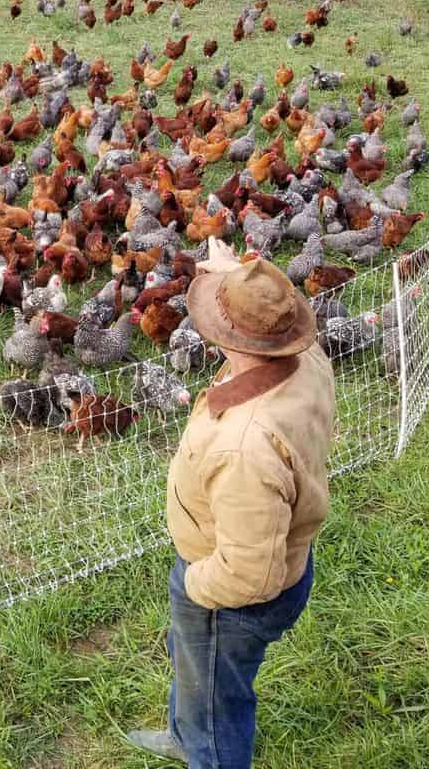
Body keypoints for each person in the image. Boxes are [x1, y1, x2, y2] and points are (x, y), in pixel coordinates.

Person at [126, 239, 335, 768]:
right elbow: (278, 310)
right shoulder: (301, 355)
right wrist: (235, 274)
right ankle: (183, 731)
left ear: (231, 337)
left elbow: (249, 573)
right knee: (197, 673)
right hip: (273, 553)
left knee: (217, 699)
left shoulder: (246, 446)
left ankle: (207, 751)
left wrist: (194, 586)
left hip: (230, 593)